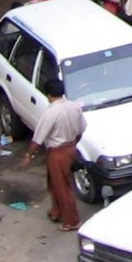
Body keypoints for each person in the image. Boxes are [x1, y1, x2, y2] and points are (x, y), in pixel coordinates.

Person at [20, 77, 86, 231]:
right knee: (55, 183)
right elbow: (82, 129)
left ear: (49, 95)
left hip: (57, 153)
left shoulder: (51, 113)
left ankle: (72, 221)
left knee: (62, 187)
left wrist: (28, 155)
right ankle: (56, 212)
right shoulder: (74, 107)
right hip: (71, 147)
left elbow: (38, 138)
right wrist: (73, 144)